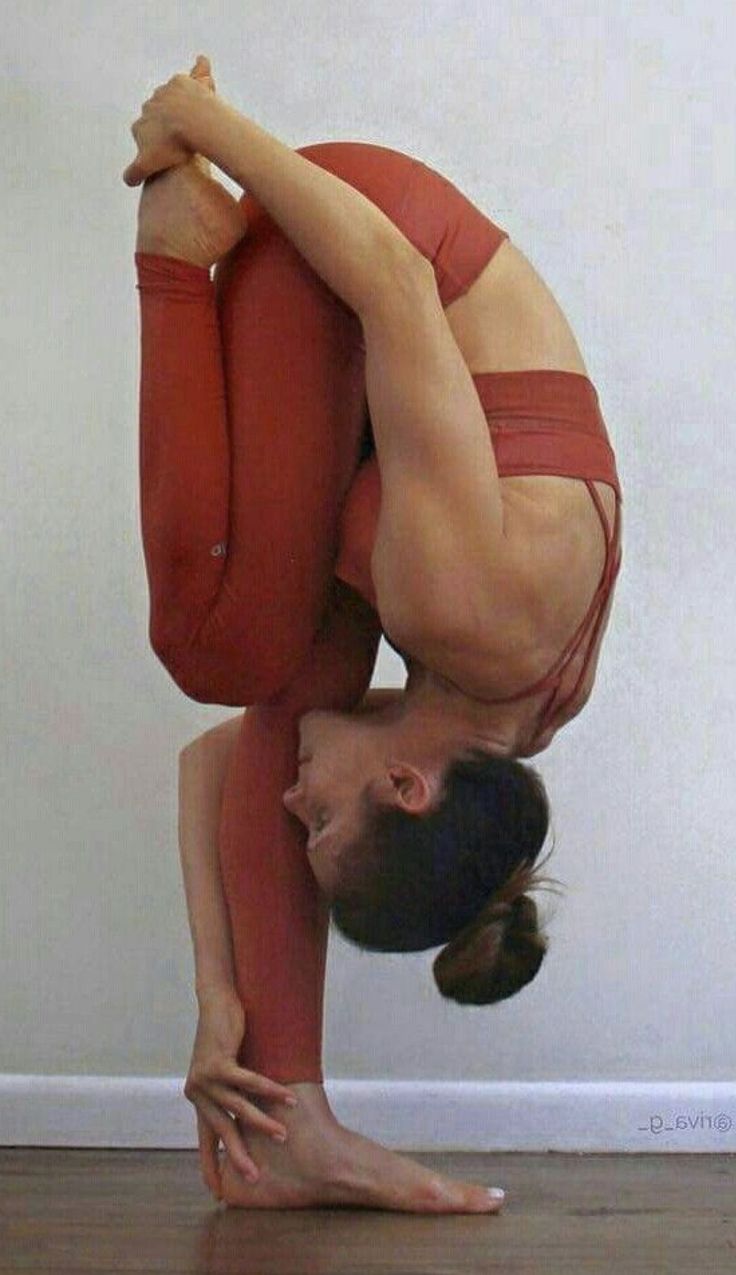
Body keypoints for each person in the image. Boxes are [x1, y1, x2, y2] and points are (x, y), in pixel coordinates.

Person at [126, 57, 623, 1212]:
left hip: (367, 360)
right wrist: (203, 125)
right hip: (357, 244)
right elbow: (395, 283)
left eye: (301, 823)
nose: (294, 799)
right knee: (223, 651)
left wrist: (217, 1001)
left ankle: (287, 1116)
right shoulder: (463, 610)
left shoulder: (496, 722)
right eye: (324, 818)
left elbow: (213, 769)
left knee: (283, 682)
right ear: (405, 785)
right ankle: (173, 249)